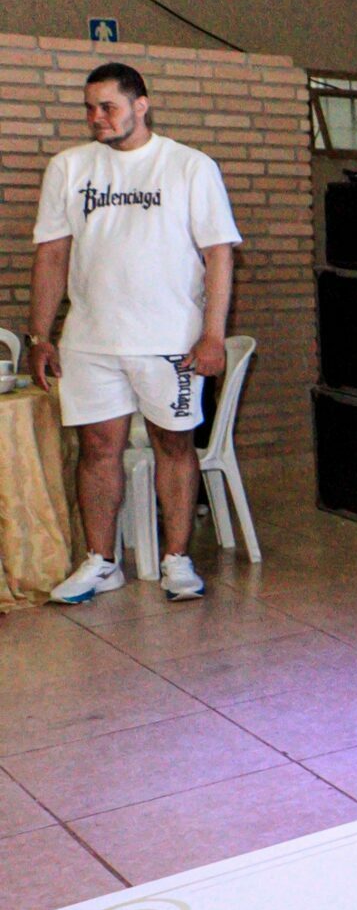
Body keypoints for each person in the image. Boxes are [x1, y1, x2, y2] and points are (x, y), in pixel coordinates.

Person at [27, 62, 241, 604]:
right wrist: (39, 335)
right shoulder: (68, 167)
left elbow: (219, 255)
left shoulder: (189, 166)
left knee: (174, 445)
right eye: (89, 108)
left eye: (109, 107)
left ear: (141, 105)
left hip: (170, 342)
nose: (97, 117)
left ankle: (177, 559)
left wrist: (212, 335)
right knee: (97, 449)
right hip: (90, 340)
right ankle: (101, 562)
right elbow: (51, 254)